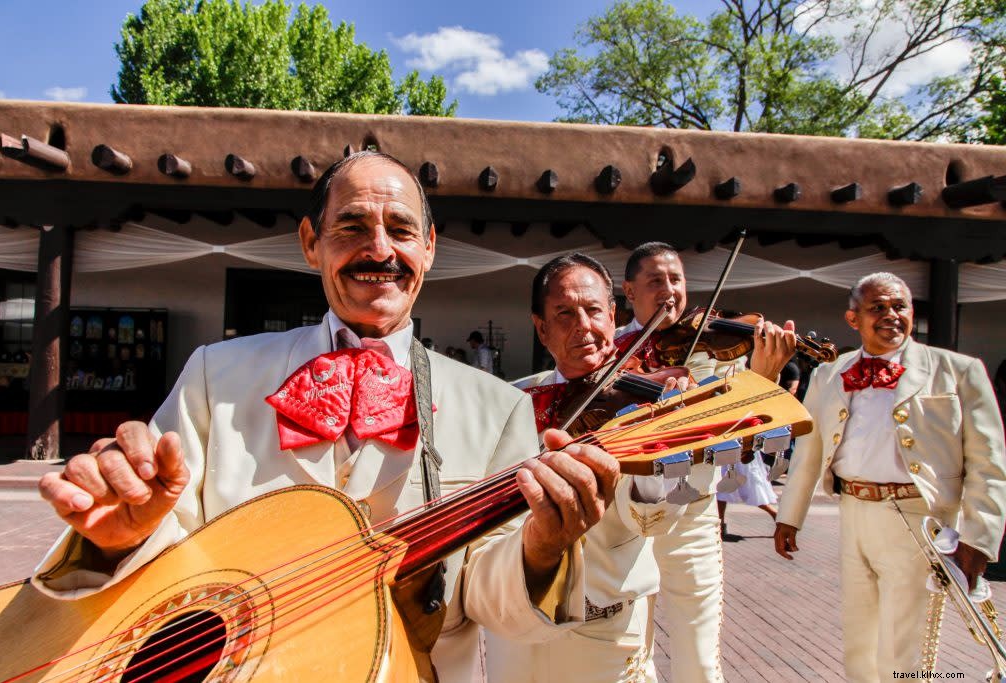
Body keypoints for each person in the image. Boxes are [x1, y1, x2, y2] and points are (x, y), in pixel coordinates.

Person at [32, 151, 621, 681]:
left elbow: (494, 603)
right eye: (353, 227)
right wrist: (125, 537)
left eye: (401, 230)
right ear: (311, 241)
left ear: (430, 248)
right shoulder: (216, 375)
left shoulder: (499, 409)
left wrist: (544, 546)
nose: (380, 251)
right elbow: (161, 536)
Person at [774, 272, 1006, 681]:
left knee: (905, 642)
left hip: (920, 519)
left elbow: (989, 461)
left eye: (899, 306)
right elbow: (808, 447)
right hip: (854, 512)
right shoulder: (832, 372)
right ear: (853, 319)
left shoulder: (958, 370)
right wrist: (789, 516)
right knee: (859, 637)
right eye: (877, 307)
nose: (891, 315)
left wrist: (979, 538)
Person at [616, 241, 796, 683]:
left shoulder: (717, 354)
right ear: (629, 291)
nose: (669, 290)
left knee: (699, 654)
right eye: (655, 281)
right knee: (629, 655)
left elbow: (747, 431)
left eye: (676, 279)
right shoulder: (612, 352)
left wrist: (765, 375)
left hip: (692, 515)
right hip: (626, 521)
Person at [487, 253, 671, 682]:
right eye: (564, 314)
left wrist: (659, 446)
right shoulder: (515, 401)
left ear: (612, 316)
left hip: (606, 623)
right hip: (519, 623)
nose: (583, 326)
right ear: (541, 328)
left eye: (593, 311)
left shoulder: (649, 402)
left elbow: (655, 519)